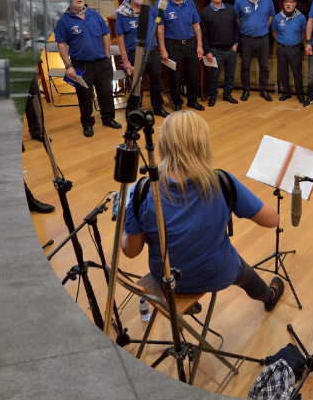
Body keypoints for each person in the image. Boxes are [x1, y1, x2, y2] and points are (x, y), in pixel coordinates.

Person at [121, 110, 284, 309]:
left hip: (167, 280)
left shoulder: (144, 190)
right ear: (202, 144)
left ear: (162, 143)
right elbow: (272, 220)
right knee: (245, 274)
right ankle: (269, 296)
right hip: (217, 274)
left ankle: (186, 304)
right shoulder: (222, 182)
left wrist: (124, 219)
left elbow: (130, 251)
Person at [55, 0, 121, 138]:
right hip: (81, 65)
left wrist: (107, 56)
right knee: (84, 97)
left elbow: (105, 36)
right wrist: (68, 66)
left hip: (102, 62)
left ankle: (108, 118)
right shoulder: (63, 19)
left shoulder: (94, 14)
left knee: (106, 93)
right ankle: (87, 124)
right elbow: (61, 44)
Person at [116, 0, 171, 117]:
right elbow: (120, 38)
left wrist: (161, 48)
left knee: (155, 81)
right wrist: (125, 60)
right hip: (135, 54)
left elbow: (156, 29)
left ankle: (158, 107)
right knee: (137, 85)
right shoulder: (122, 13)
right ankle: (135, 111)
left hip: (152, 52)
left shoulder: (149, 8)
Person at [156, 0, 205, 112]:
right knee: (175, 76)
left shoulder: (190, 2)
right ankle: (177, 102)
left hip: (190, 43)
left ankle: (192, 100)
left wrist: (199, 45)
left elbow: (196, 25)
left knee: (193, 74)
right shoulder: (162, 4)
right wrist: (163, 49)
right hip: (173, 45)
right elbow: (160, 29)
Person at [235, 0, 276, 102]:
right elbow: (237, 18)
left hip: (263, 38)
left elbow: (271, 16)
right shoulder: (240, 0)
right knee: (245, 66)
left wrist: (263, 28)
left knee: (264, 66)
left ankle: (263, 90)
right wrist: (246, 29)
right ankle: (246, 90)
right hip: (246, 39)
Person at [200, 0, 240, 107]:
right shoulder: (205, 12)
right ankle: (213, 96)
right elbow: (204, 34)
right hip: (215, 51)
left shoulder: (230, 8)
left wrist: (235, 44)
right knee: (214, 77)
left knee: (230, 75)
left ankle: (227, 94)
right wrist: (207, 51)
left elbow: (235, 28)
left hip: (231, 50)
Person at [271, 0, 307, 102]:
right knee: (283, 72)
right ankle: (286, 93)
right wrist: (281, 42)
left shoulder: (301, 18)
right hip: (281, 49)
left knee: (297, 73)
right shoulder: (277, 17)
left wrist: (296, 43)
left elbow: (304, 33)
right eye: (286, 2)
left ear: (295, 4)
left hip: (295, 49)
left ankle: (300, 94)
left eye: (291, 2)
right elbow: (274, 32)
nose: (288, 4)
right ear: (283, 4)